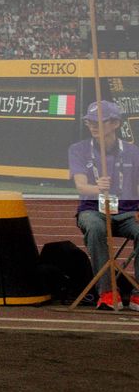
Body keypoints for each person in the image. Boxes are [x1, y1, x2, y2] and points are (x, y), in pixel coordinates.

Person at [70, 100, 139, 311]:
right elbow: (81, 186)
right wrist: (97, 187)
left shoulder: (133, 152)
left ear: (115, 123)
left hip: (126, 211)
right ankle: (107, 291)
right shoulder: (78, 149)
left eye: (98, 122)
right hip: (92, 209)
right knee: (95, 227)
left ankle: (137, 293)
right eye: (89, 122)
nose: (92, 126)